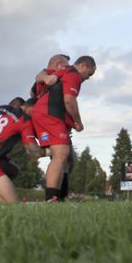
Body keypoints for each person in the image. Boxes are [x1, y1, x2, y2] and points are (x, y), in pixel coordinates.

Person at [30, 56, 96, 201]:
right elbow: (69, 100)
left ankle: (57, 196)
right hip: (50, 114)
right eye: (89, 74)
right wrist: (78, 122)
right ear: (84, 66)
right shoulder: (74, 75)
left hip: (44, 113)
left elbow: (39, 77)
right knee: (61, 152)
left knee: (62, 155)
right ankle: (51, 197)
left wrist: (46, 78)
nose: (88, 78)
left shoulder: (63, 71)